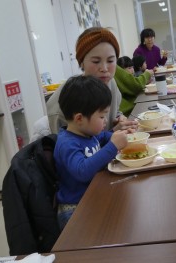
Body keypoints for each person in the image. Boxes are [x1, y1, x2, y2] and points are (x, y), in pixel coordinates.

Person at [55, 75, 130, 229]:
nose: (105, 121)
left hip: (92, 196)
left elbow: (104, 136)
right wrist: (113, 146)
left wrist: (121, 137)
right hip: (75, 208)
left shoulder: (87, 133)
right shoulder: (67, 143)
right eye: (102, 116)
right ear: (79, 118)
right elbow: (82, 171)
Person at [46, 27, 138, 133]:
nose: (104, 68)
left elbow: (115, 111)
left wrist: (119, 118)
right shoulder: (63, 104)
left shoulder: (110, 82)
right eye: (96, 61)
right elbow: (68, 148)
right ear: (81, 62)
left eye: (110, 60)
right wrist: (112, 133)